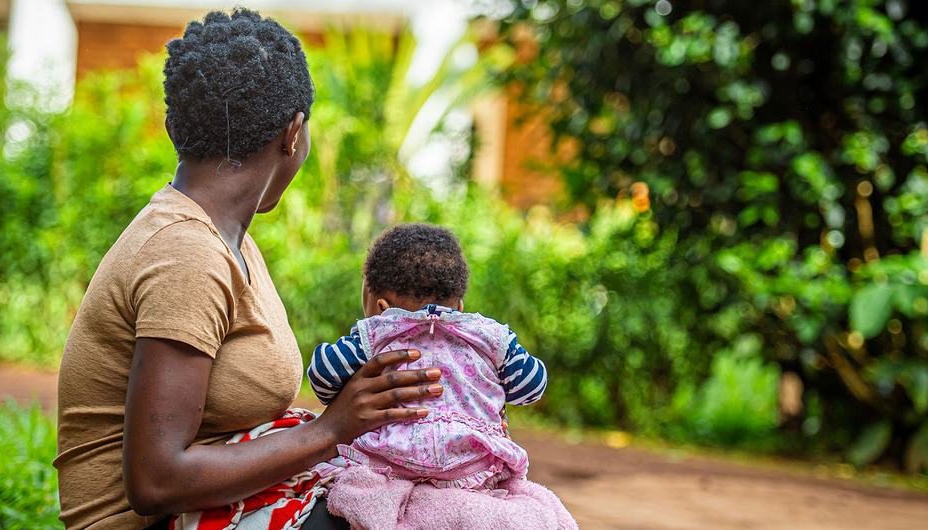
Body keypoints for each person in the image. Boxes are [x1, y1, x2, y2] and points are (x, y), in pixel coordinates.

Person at [53, 9, 441, 529]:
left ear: (176, 128)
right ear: (293, 133)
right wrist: (331, 430)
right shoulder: (186, 253)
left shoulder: (226, 237)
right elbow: (155, 481)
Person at [306, 224, 577, 529]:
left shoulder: (377, 333)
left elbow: (322, 378)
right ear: (460, 305)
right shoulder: (490, 336)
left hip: (392, 463)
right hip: (472, 470)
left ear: (379, 305)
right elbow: (533, 385)